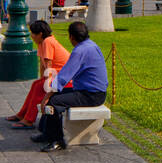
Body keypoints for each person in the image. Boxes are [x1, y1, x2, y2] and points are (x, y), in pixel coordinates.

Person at [33, 20, 107, 152]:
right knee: (55, 96)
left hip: (91, 95)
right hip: (95, 91)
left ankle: (57, 140)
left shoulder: (80, 51)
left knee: (53, 102)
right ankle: (48, 133)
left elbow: (63, 77)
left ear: (71, 37)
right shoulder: (91, 45)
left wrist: (46, 97)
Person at [7, 20, 71, 128]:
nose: (31, 36)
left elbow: (48, 65)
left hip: (64, 79)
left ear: (40, 34)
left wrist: (46, 85)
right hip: (56, 76)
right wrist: (42, 80)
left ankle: (29, 120)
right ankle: (22, 114)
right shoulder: (42, 42)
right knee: (36, 84)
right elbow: (43, 65)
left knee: (38, 88)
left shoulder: (48, 42)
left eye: (33, 33)